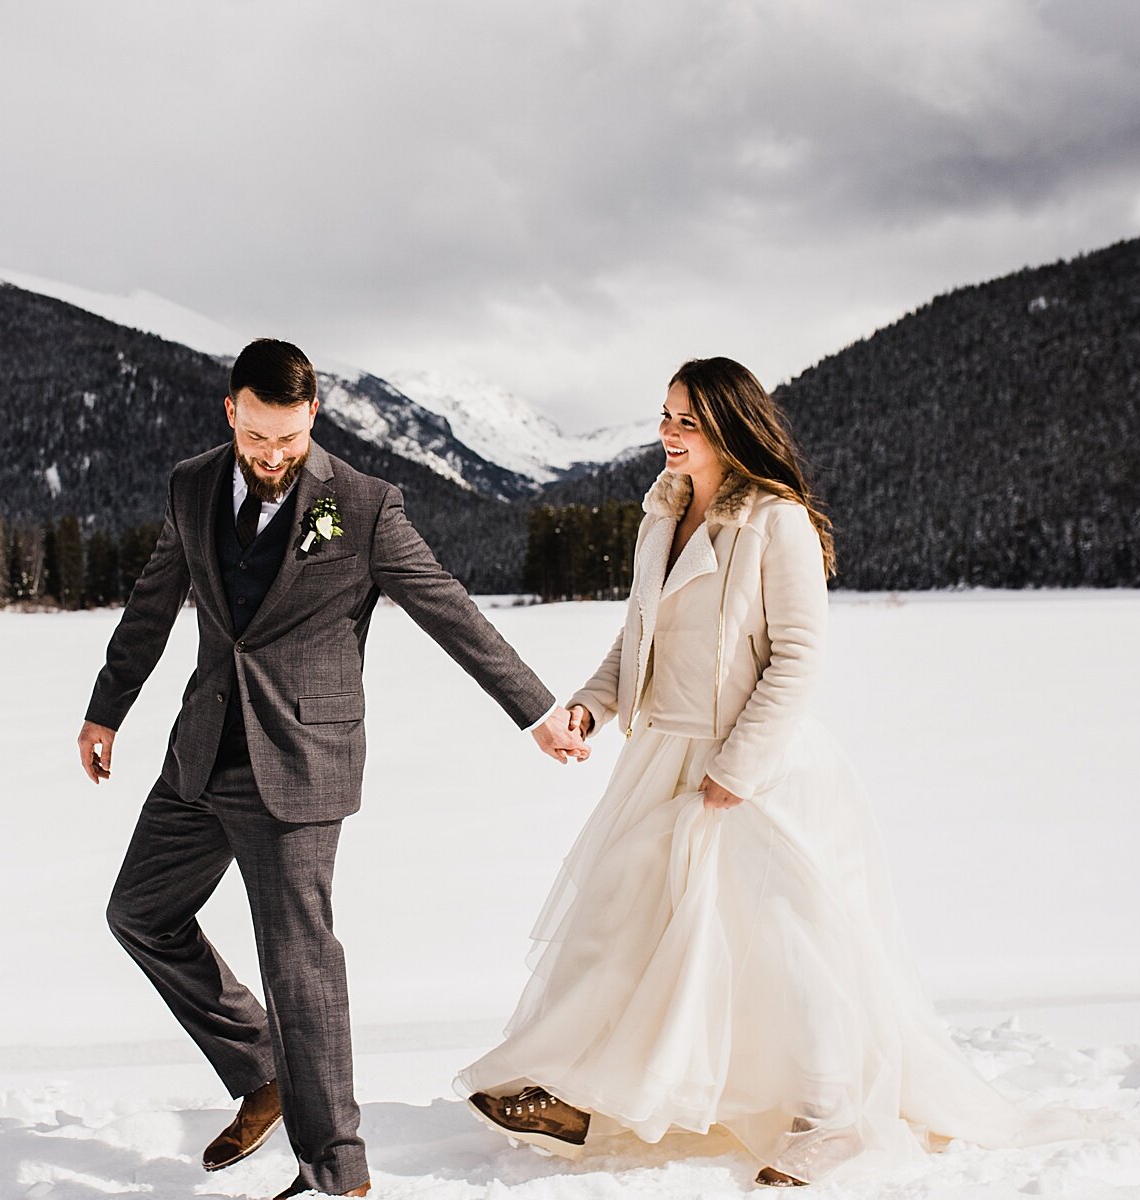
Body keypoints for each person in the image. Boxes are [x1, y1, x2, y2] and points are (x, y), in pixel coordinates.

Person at [461, 357, 1073, 1186]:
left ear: (729, 427)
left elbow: (798, 659)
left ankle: (833, 1123)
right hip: (663, 756)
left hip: (756, 766)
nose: (669, 435)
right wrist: (588, 709)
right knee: (619, 913)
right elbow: (633, 641)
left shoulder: (775, 522)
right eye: (666, 417)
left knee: (785, 945)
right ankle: (574, 1095)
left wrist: (738, 769)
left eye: (687, 421)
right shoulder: (660, 516)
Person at [79, 338, 588, 1200]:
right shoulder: (192, 485)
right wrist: (107, 706)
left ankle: (337, 1177)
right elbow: (153, 603)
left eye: (288, 439)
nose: (273, 457)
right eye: (257, 439)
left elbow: (450, 611)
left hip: (302, 764)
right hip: (201, 753)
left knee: (298, 962)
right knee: (139, 911)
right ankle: (264, 1071)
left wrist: (535, 711)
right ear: (231, 411)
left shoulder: (363, 505)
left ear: (312, 415)